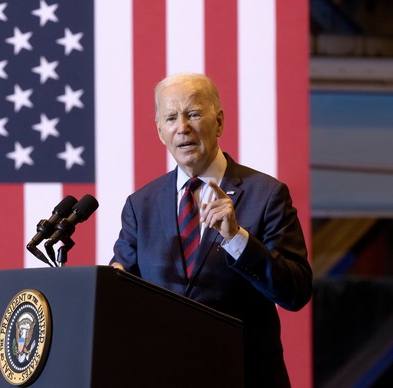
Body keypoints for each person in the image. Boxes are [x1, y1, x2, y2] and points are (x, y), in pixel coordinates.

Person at [110, 73, 312, 387]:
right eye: (171, 118)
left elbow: (296, 291)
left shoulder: (267, 195)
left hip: (244, 376)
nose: (183, 128)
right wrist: (112, 286)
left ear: (218, 122)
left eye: (193, 114)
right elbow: (121, 287)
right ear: (160, 131)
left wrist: (237, 239)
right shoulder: (141, 205)